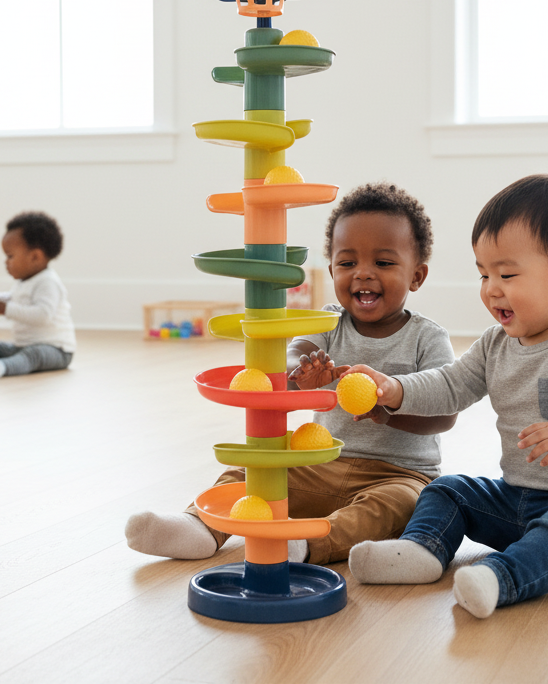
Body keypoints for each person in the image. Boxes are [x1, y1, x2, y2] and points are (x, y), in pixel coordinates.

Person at [346, 174, 548, 618]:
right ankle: (422, 551)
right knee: (448, 489)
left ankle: (501, 577)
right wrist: (393, 389)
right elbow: (451, 384)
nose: (491, 287)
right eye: (484, 273)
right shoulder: (496, 344)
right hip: (521, 500)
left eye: (507, 274)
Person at [125, 182, 457, 565]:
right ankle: (199, 526)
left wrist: (387, 407)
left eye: (383, 263)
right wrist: (300, 370)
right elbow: (293, 352)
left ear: (417, 275)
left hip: (397, 474)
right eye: (348, 263)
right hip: (318, 463)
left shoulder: (428, 338)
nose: (363, 274)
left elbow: (445, 412)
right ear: (331, 269)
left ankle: (305, 544)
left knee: (400, 505)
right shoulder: (328, 321)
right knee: (254, 472)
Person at [0, 211, 76, 378]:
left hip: (56, 349)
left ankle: (2, 368)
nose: (6, 262)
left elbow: (42, 315)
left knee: (31, 357)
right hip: (24, 345)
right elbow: (12, 299)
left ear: (35, 257)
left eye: (10, 256)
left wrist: (5, 309)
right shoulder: (24, 282)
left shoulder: (48, 282)